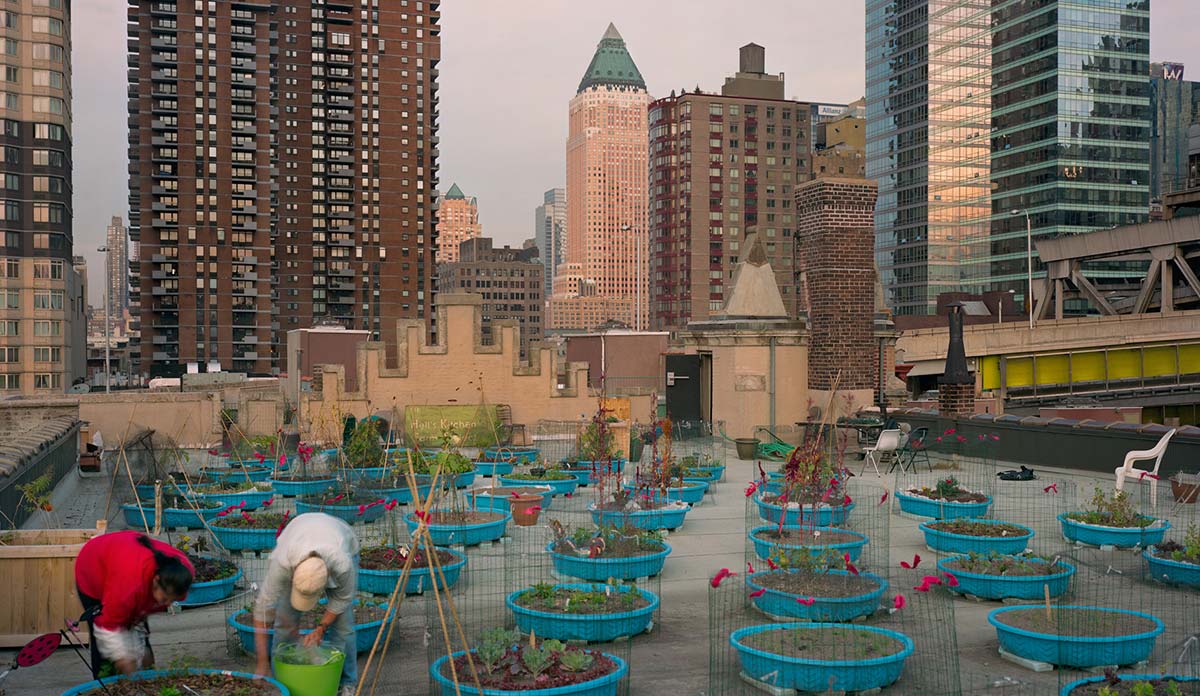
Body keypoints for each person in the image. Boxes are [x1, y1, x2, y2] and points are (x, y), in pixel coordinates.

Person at [253, 512, 360, 694]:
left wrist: (320, 629)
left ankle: (346, 683)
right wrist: (262, 662)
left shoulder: (342, 564)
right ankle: (280, 684)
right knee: (284, 626)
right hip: (298, 534)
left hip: (339, 537)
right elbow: (261, 612)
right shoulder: (282, 565)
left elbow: (341, 599)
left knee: (343, 628)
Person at [74, 531, 194, 677]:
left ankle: (145, 678)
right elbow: (106, 626)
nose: (168, 604)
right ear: (156, 581)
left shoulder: (181, 574)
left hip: (126, 559)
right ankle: (105, 686)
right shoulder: (129, 585)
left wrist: (141, 649)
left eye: (173, 599)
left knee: (142, 650)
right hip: (93, 567)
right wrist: (122, 658)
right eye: (165, 599)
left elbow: (141, 613)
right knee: (108, 654)